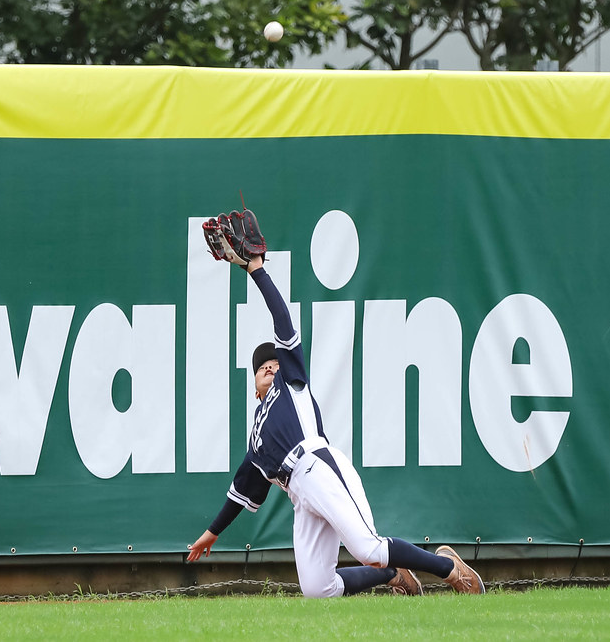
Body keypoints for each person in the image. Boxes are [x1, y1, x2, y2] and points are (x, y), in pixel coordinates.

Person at [187, 252, 485, 598]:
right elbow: (239, 493)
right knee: (318, 590)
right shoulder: (256, 437)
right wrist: (213, 531)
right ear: (254, 386)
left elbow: (282, 320)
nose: (269, 367)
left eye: (273, 362)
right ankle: (393, 575)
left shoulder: (291, 383)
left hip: (317, 466)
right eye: (261, 367)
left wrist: (256, 270)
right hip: (299, 494)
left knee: (367, 548)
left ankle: (451, 570)